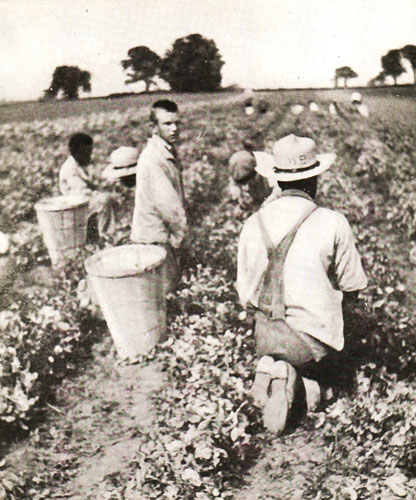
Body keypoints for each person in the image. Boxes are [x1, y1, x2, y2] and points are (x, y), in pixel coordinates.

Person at [237, 133, 367, 434]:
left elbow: (244, 293)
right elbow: (352, 290)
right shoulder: (332, 221)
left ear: (277, 180)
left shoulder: (253, 222)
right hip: (311, 346)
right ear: (315, 180)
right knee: (335, 383)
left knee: (278, 338)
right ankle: (311, 387)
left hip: (265, 336)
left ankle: (272, 367)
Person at [130, 100, 187, 294]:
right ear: (153, 127)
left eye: (177, 123)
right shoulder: (153, 159)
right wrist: (181, 238)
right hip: (154, 237)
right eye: (168, 124)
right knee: (166, 292)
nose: (174, 128)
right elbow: (168, 205)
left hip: (159, 235)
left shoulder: (166, 152)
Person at [59, 133, 118, 239]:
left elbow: (95, 180)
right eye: (86, 153)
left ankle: (103, 231)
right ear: (76, 152)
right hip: (75, 205)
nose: (89, 156)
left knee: (109, 198)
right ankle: (106, 235)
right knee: (105, 200)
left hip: (83, 201)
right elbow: (81, 193)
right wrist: (98, 192)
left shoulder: (81, 163)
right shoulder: (70, 169)